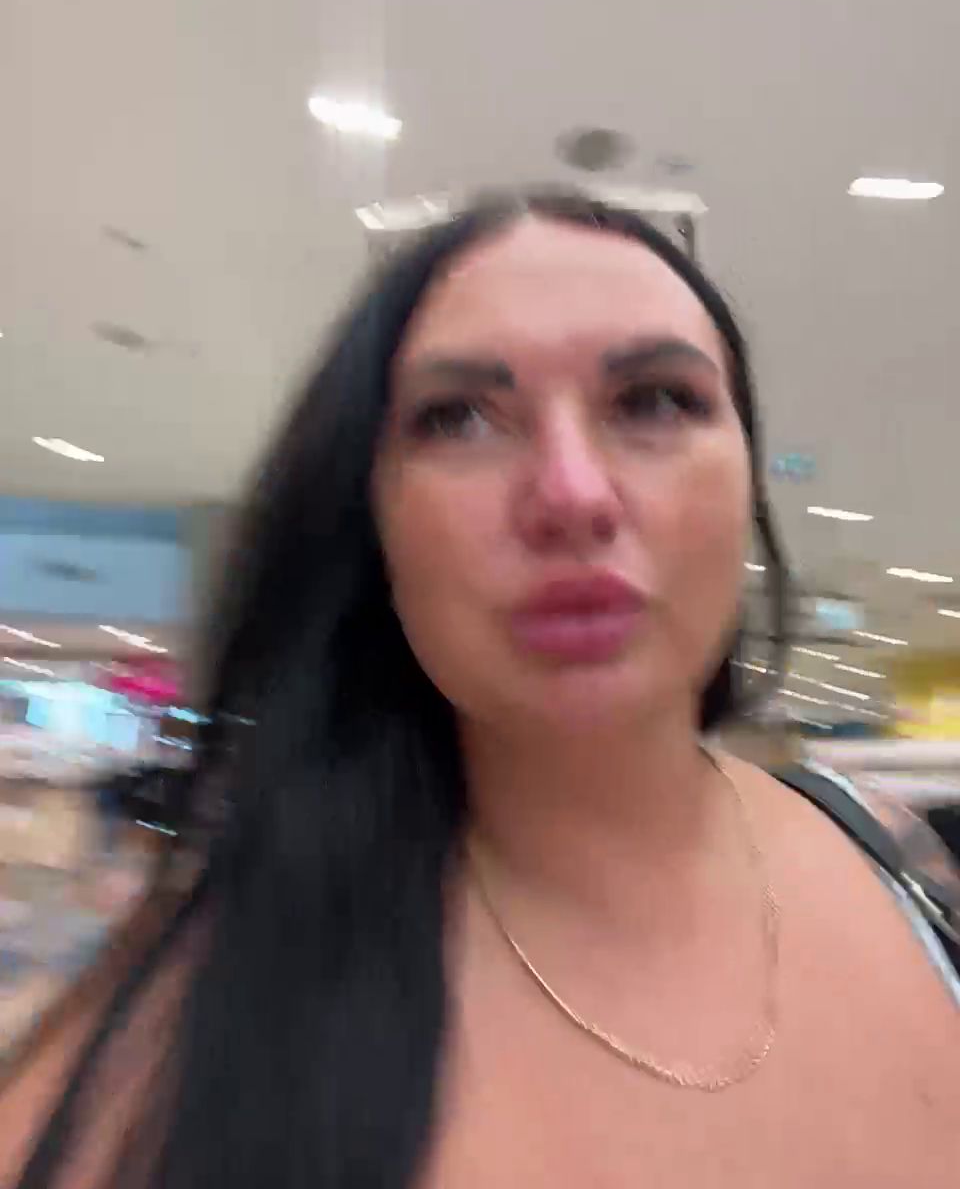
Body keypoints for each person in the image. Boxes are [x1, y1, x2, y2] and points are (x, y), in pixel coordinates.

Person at [3, 190, 958, 1187]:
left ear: (748, 484)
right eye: (457, 417)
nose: (573, 493)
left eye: (656, 401)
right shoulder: (171, 1064)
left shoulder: (900, 866)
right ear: (372, 523)